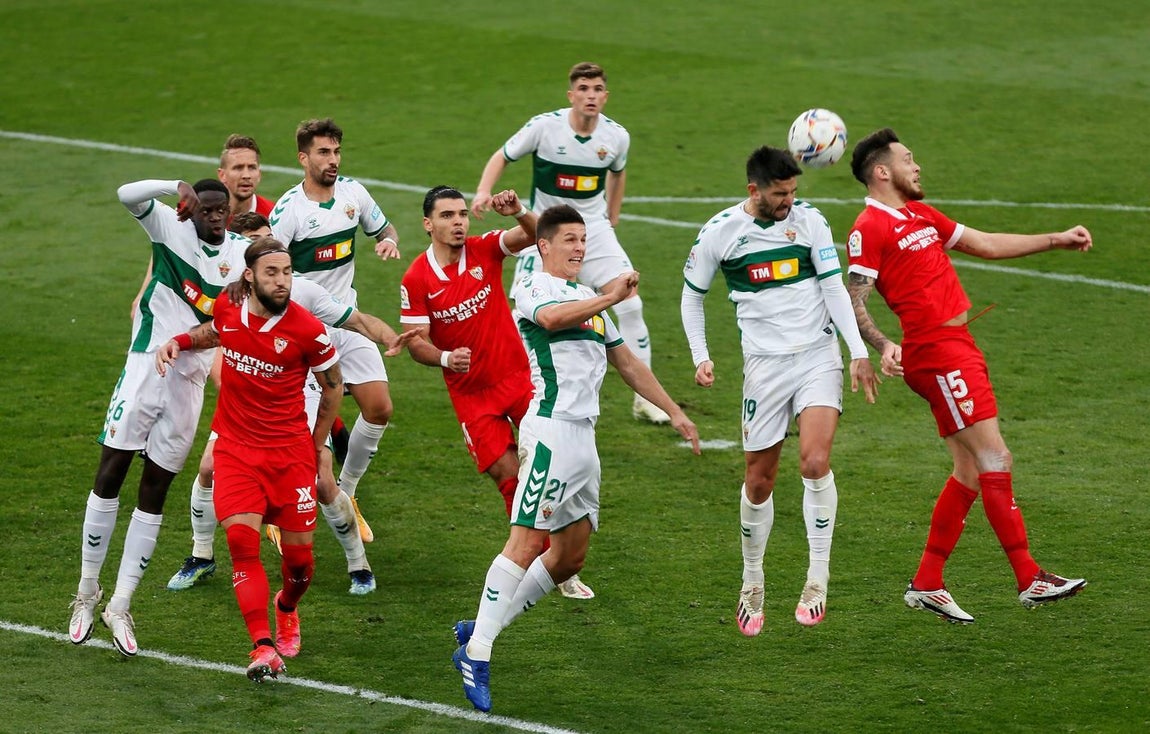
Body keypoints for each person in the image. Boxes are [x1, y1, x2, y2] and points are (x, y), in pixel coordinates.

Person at [450, 205, 701, 713]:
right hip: (550, 433)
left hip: (585, 439)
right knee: (524, 544)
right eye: (569, 239)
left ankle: (484, 625)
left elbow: (625, 360)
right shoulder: (535, 287)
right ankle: (477, 654)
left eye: (584, 240)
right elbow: (550, 319)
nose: (579, 249)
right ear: (543, 245)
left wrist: (675, 411)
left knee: (569, 558)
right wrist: (610, 295)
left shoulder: (590, 299)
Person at [845, 128, 1089, 623]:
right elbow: (852, 298)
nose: (918, 167)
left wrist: (1055, 240)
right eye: (909, 159)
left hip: (957, 346)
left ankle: (928, 582)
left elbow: (984, 243)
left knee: (971, 470)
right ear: (882, 171)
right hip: (937, 353)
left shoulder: (920, 214)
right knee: (995, 455)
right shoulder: (868, 228)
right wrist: (882, 344)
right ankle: (1029, 578)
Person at [680, 146, 880, 634]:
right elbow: (692, 297)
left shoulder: (811, 223)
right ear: (755, 191)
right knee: (759, 481)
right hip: (764, 368)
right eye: (780, 193)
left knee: (814, 463)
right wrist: (700, 355)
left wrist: (857, 351)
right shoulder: (720, 234)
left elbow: (834, 288)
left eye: (794, 191)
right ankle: (753, 580)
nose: (789, 200)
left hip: (817, 355)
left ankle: (817, 576)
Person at [166, 212, 405, 596]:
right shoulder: (231, 296)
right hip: (244, 410)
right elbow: (217, 337)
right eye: (255, 245)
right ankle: (201, 555)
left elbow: (355, 321)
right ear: (248, 267)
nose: (273, 260)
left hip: (298, 394)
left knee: (322, 481)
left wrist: (389, 335)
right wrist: (182, 342)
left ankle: (358, 564)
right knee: (208, 466)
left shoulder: (303, 294)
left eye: (270, 241)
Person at [67, 178, 248, 656]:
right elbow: (126, 193)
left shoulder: (241, 254)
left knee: (156, 488)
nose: (213, 217)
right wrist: (174, 188)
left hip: (188, 381)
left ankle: (121, 604)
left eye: (219, 210)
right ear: (192, 209)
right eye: (205, 209)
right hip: (146, 363)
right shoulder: (169, 226)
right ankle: (86, 593)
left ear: (229, 211)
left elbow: (280, 279)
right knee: (110, 472)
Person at [155, 236, 343, 682]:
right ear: (250, 277)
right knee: (243, 546)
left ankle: (286, 608)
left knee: (300, 565)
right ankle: (262, 646)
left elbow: (333, 385)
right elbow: (214, 332)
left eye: (288, 273)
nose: (282, 282)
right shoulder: (227, 307)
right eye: (272, 273)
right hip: (237, 451)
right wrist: (179, 340)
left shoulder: (307, 330)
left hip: (290, 455)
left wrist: (317, 448)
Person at [400, 186, 593, 600]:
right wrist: (445, 358)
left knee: (550, 468)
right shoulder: (416, 278)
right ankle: (542, 561)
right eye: (448, 215)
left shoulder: (483, 250)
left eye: (463, 214)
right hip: (472, 398)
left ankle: (559, 564)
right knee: (511, 479)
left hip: (520, 380)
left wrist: (519, 211)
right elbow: (416, 342)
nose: (458, 222)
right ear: (428, 224)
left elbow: (534, 238)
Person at [470, 62, 670, 425]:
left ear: (605, 96)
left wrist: (612, 216)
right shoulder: (544, 127)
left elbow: (618, 173)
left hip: (593, 227)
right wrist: (484, 191)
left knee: (630, 303)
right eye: (583, 88)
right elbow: (503, 155)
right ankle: (520, 395)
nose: (590, 95)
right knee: (524, 317)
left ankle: (646, 401)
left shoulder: (616, 137)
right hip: (543, 229)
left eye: (596, 89)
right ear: (571, 95)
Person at [271, 118, 400, 546]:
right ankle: (278, 509)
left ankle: (348, 492)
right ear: (303, 158)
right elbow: (268, 272)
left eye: (337, 152)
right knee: (305, 436)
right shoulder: (288, 211)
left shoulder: (353, 193)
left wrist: (387, 240)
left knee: (379, 407)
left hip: (348, 320)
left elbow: (383, 228)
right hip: (305, 333)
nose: (333, 160)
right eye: (324, 153)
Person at [129, 134, 275, 319]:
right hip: (193, 300)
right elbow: (168, 246)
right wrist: (144, 291)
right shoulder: (199, 209)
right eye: (238, 168)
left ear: (259, 173)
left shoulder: (272, 216)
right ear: (222, 174)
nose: (246, 175)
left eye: (251, 167)